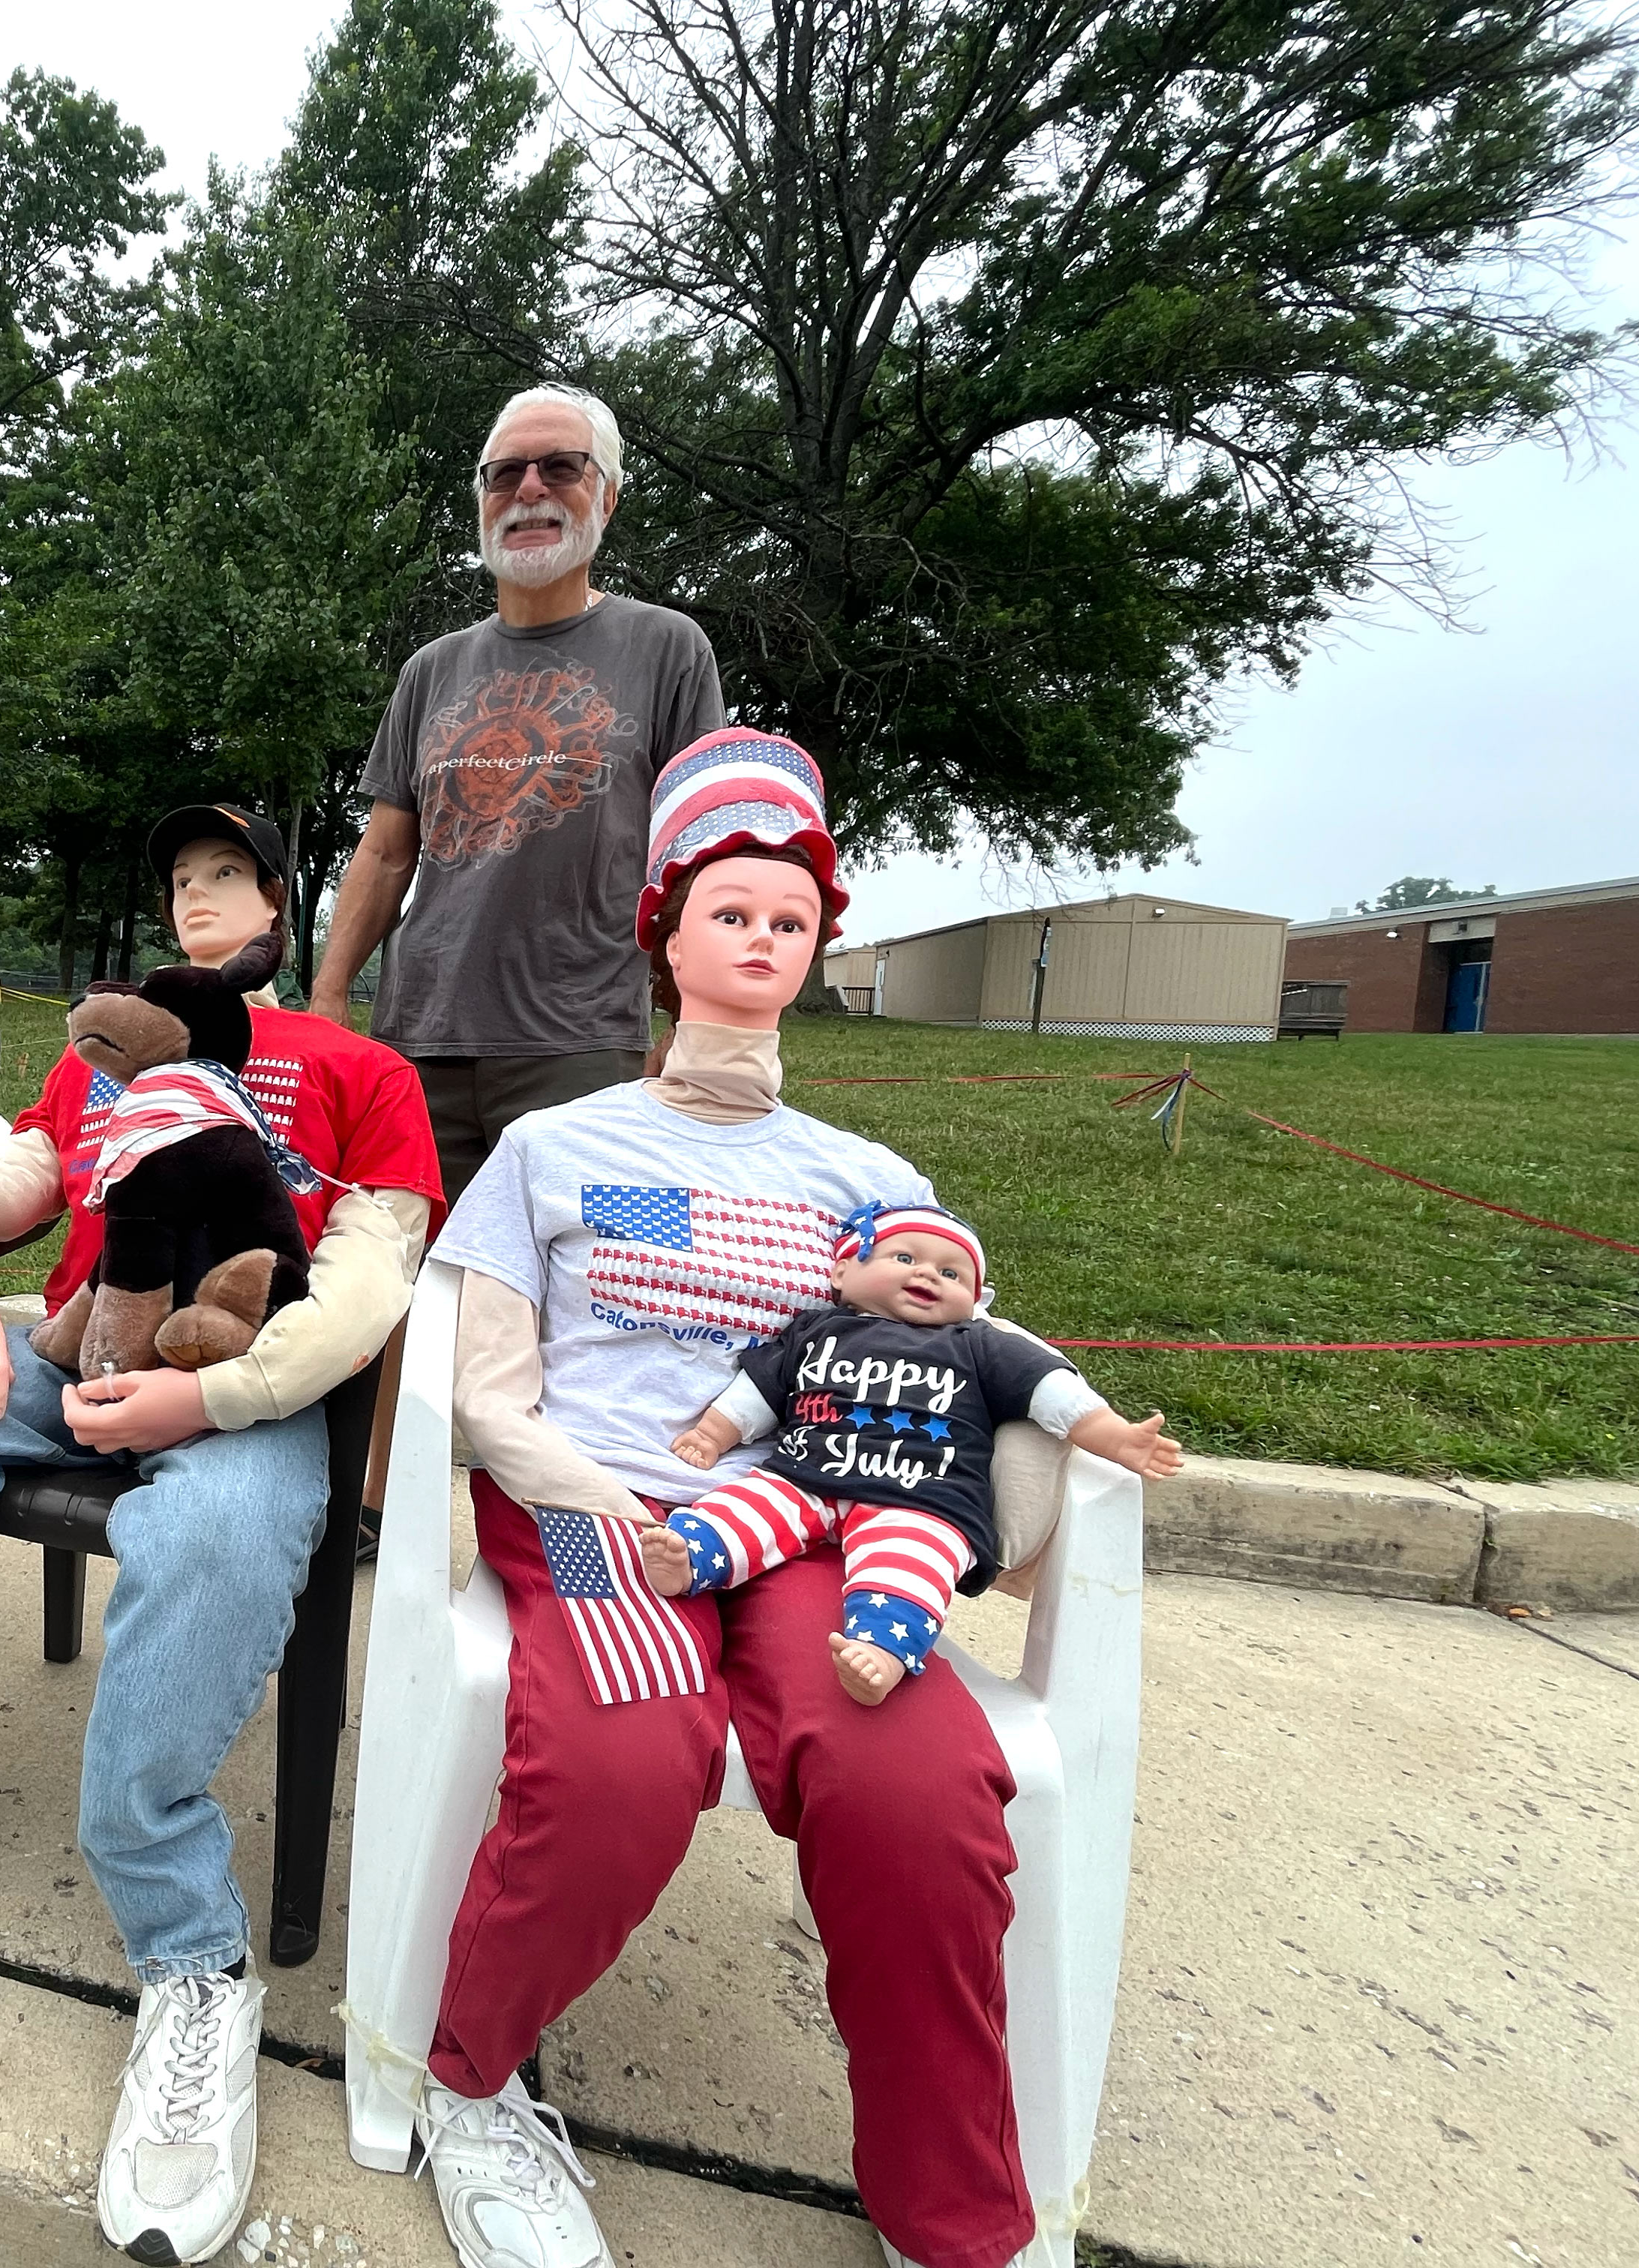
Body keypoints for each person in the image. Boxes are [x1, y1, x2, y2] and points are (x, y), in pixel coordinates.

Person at [405, 728, 1047, 2268]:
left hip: (814, 1525)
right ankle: (472, 2082)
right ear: (667, 933)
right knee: (625, 1763)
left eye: (792, 917)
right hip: (592, 1511)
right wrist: (603, 1517)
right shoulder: (553, 1151)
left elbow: (969, 1362)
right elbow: (489, 1391)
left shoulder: (869, 1176)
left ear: (817, 947)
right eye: (728, 911)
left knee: (924, 1792)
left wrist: (991, 1521)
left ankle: (952, 2214)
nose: (760, 937)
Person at [0, 802, 443, 2268]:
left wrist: (213, 1393)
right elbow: (21, 1176)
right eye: (179, 879)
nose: (199, 898)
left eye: (226, 874)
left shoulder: (359, 1072)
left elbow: (366, 1282)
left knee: (210, 1548)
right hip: (70, 1343)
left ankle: (193, 1957)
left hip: (247, 1383)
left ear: (284, 900)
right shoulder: (108, 1048)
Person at [309, 382, 725, 1201]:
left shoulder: (669, 648)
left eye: (559, 467)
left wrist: (691, 1024)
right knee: (408, 1284)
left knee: (569, 1285)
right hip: (417, 1040)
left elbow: (698, 858)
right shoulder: (431, 669)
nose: (529, 489)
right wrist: (326, 1000)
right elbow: (388, 853)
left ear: (605, 494)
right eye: (503, 475)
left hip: (579, 1037)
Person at [643, 1200, 1184, 1701]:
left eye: (952, 1273)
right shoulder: (817, 1331)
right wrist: (713, 1436)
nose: (927, 1274)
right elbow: (760, 1392)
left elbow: (1054, 1396)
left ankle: (884, 1652)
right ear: (841, 1274)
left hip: (923, 1501)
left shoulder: (979, 1345)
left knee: (910, 1565)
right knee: (745, 1507)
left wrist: (1116, 1437)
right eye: (904, 1257)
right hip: (805, 1476)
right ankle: (692, 1558)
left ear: (976, 1300)